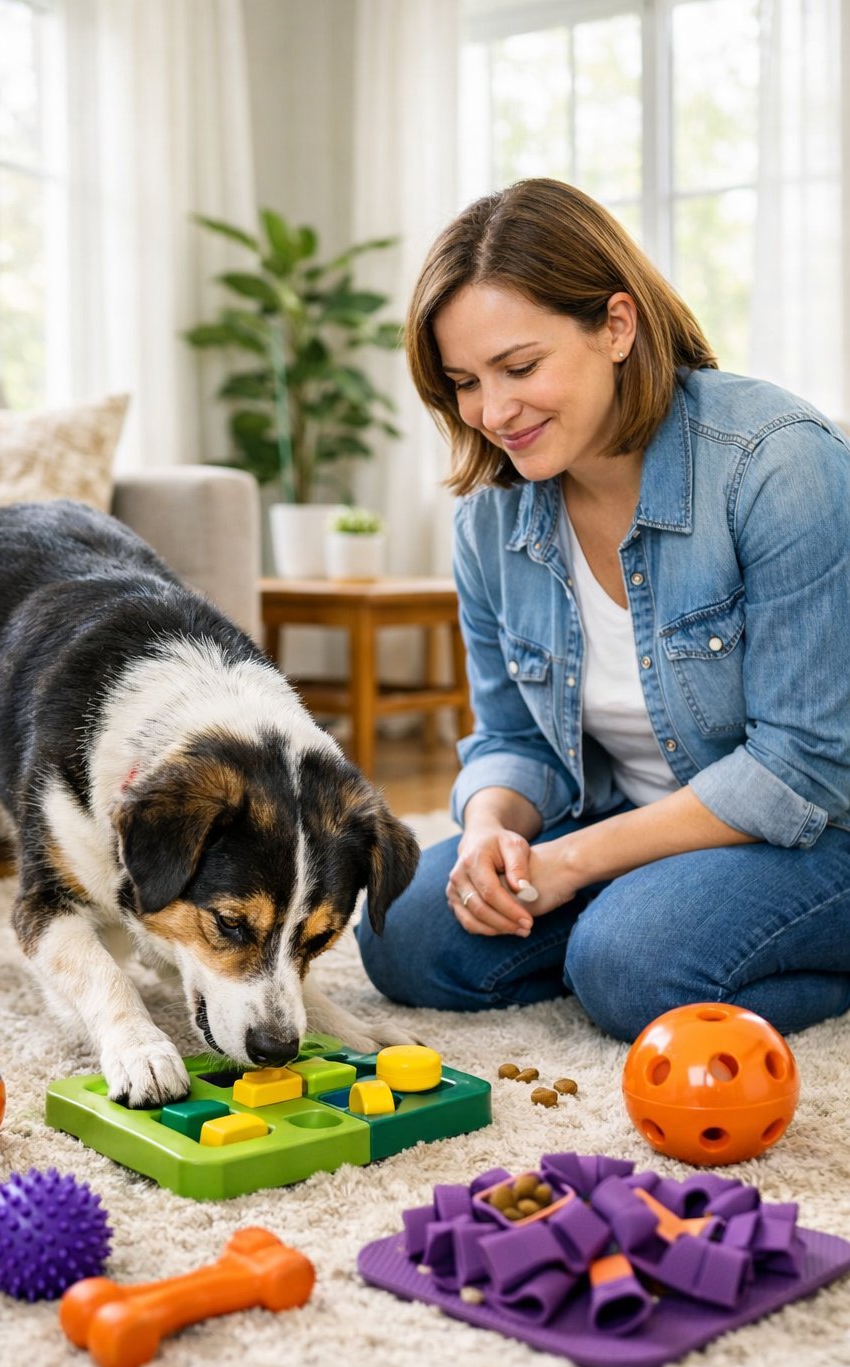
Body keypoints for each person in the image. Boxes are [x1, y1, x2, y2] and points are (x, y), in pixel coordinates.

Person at [357, 178, 850, 1041]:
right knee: (405, 931)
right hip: (633, 819)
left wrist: (572, 862)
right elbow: (510, 738)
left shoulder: (777, 465)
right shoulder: (490, 520)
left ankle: (652, 940)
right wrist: (488, 834)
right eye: (466, 381)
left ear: (616, 326)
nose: (494, 412)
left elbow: (805, 766)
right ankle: (648, 928)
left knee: (630, 964)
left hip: (817, 833)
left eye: (520, 367)